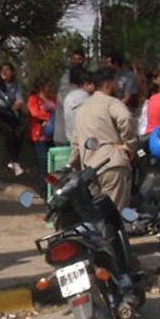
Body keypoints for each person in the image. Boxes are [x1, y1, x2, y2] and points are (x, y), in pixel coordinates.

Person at [68, 68, 137, 210]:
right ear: (108, 83)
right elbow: (125, 117)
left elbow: (76, 141)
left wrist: (72, 164)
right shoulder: (111, 103)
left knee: (98, 217)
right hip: (111, 164)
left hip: (90, 169)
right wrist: (130, 146)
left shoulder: (82, 109)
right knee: (115, 214)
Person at [0, 62, 26, 177]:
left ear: (12, 72)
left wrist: (18, 103)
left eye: (7, 70)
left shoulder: (16, 85)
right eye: (2, 70)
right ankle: (15, 162)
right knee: (8, 132)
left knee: (20, 131)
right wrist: (11, 105)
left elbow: (20, 99)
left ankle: (14, 161)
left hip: (10, 112)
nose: (4, 72)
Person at [53, 48, 87, 146]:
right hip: (64, 133)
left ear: (84, 60)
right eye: (74, 59)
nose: (77, 61)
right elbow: (63, 100)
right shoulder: (66, 78)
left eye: (79, 59)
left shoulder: (86, 76)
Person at [27, 76, 56, 192]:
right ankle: (44, 189)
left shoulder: (53, 99)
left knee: (52, 164)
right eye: (48, 86)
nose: (50, 88)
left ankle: (53, 188)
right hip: (40, 136)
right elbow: (34, 113)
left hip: (52, 136)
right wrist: (48, 118)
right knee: (43, 163)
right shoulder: (33, 99)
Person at [62, 65, 94, 144]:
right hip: (86, 139)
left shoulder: (68, 97)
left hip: (71, 138)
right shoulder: (87, 98)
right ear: (86, 84)